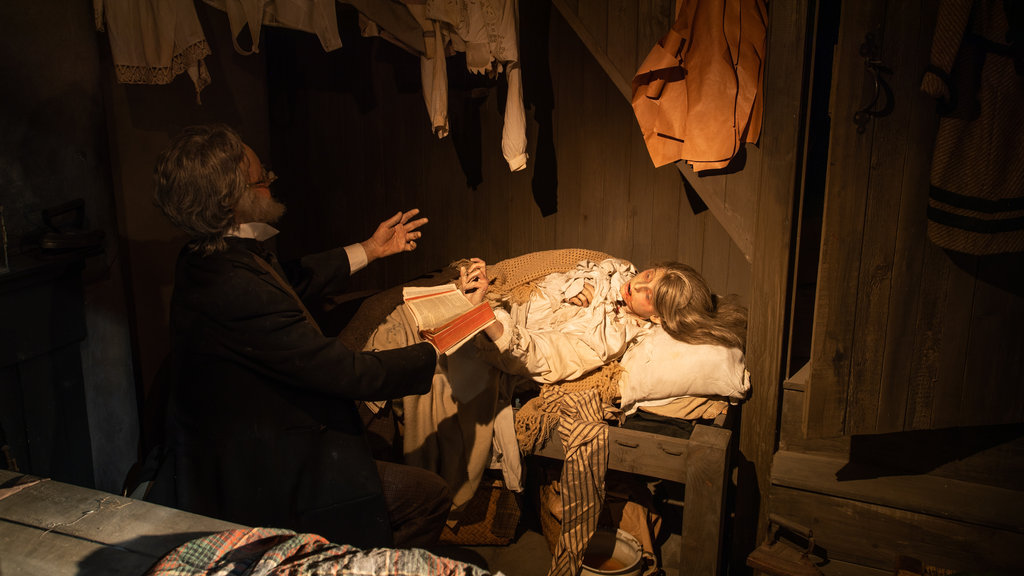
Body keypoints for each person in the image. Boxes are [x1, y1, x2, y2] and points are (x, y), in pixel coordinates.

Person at [149, 123, 450, 549]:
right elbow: (343, 371)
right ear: (230, 200)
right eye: (261, 178)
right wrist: (433, 349)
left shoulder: (206, 255)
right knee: (427, 496)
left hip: (243, 444)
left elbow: (285, 280)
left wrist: (371, 248)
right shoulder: (233, 286)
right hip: (263, 472)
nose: (271, 183)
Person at [459, 256, 746, 383]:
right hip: (498, 300)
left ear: (658, 317)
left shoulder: (609, 337)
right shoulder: (619, 270)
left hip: (491, 332)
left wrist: (484, 317)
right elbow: (564, 267)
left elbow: (547, 357)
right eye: (648, 276)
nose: (636, 286)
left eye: (648, 296)